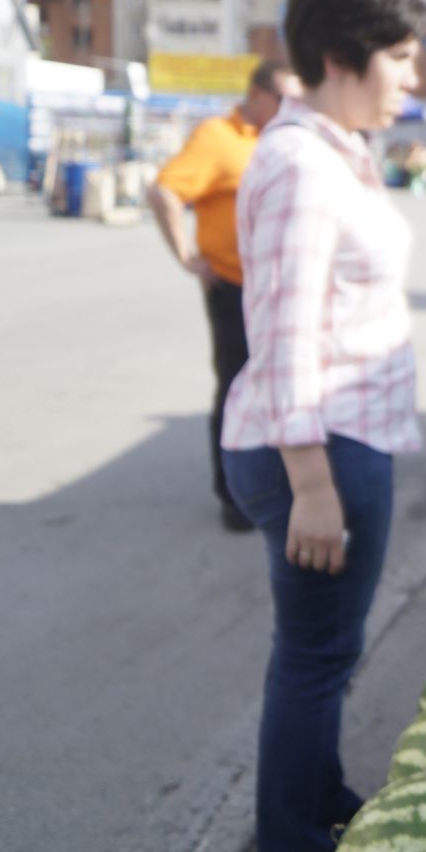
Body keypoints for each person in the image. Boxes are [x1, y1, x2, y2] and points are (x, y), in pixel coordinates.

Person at [219, 0, 426, 852]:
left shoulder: (335, 148)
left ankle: (318, 801)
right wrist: (310, 483)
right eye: (402, 58)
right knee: (310, 659)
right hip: (321, 449)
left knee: (324, 653)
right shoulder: (301, 164)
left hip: (345, 439)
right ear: (344, 58)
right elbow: (283, 330)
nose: (412, 79)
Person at [148, 61, 303, 531]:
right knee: (239, 388)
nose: (290, 109)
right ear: (256, 95)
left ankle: (283, 481)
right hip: (234, 287)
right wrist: (187, 257)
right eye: (282, 99)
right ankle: (235, 498)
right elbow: (165, 192)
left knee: (286, 385)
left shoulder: (287, 138)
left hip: (284, 287)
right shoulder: (220, 137)